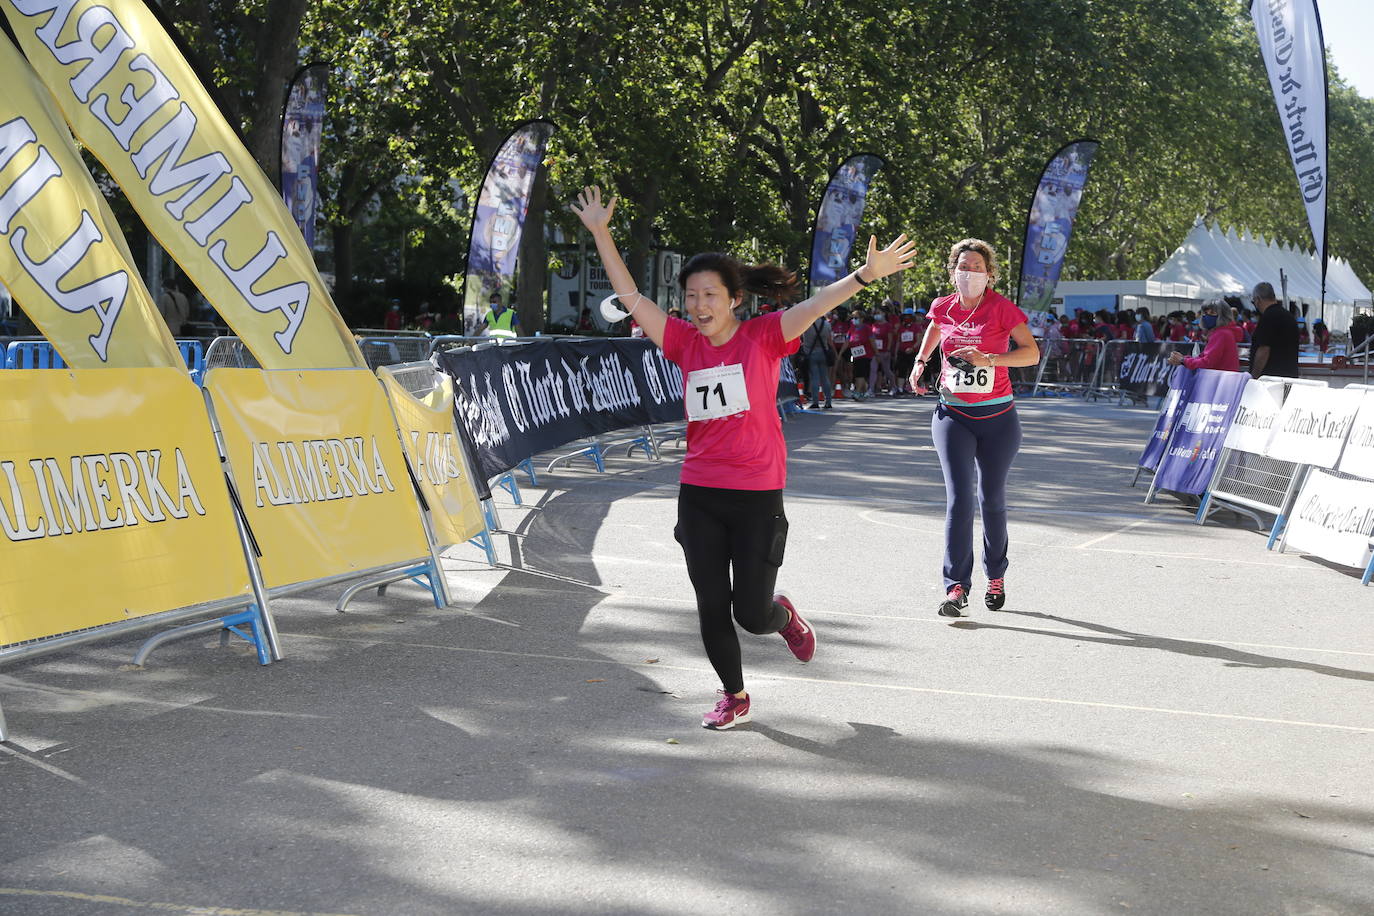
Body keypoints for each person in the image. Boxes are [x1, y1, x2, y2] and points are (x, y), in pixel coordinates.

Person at [572, 185, 915, 729]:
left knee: (751, 614)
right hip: (700, 492)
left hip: (757, 492)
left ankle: (785, 617)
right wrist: (599, 232)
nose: (698, 306)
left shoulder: (763, 337)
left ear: (734, 299)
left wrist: (866, 275)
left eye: (710, 295)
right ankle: (733, 694)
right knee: (711, 604)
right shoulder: (683, 342)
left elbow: (817, 303)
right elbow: (632, 296)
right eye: (690, 296)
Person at [907, 238, 1039, 618]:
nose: (969, 273)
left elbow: (1031, 353)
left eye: (977, 267)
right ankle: (955, 587)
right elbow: (935, 328)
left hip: (998, 419)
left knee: (991, 499)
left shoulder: (1002, 308)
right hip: (953, 415)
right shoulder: (942, 307)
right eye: (963, 266)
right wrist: (920, 362)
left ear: (990, 273)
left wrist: (991, 359)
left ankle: (995, 574)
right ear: (952, 272)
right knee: (959, 499)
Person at [1168, 300, 1239, 372]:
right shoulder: (1224, 332)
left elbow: (1207, 362)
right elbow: (1204, 357)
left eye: (1212, 312)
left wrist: (1184, 360)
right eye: (1205, 313)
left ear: (1223, 315)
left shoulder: (1221, 334)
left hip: (1220, 379)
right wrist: (1184, 359)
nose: (1207, 316)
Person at [1248, 282, 1300, 378]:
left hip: (1271, 377)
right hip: (1290, 375)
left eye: (1253, 301)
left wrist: (1254, 376)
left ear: (1258, 299)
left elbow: (1264, 350)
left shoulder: (1267, 317)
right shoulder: (1289, 316)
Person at [799, 312, 835, 409]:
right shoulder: (827, 324)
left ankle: (815, 402)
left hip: (810, 353)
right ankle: (828, 401)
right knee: (825, 377)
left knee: (814, 378)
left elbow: (803, 339)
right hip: (823, 352)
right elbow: (829, 340)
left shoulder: (806, 324)